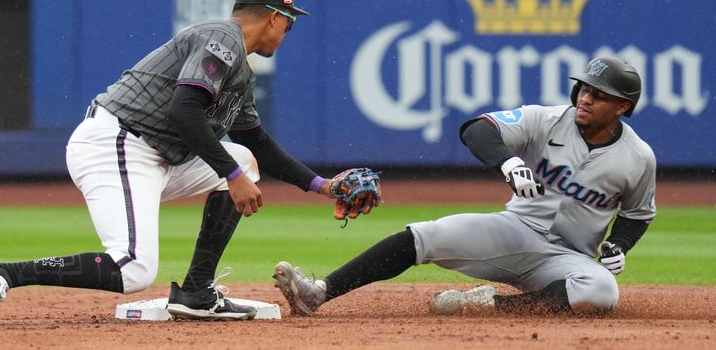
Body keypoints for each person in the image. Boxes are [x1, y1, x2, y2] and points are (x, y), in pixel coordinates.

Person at [0, 0, 356, 326]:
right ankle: (0, 274)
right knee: (133, 269)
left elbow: (258, 142)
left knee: (243, 158)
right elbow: (184, 110)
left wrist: (322, 185)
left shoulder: (239, 70)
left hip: (156, 155)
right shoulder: (222, 38)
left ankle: (198, 293)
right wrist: (231, 177)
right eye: (289, 22)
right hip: (117, 142)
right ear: (273, 16)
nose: (288, 31)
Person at [274, 56, 656, 317]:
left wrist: (619, 245)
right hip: (515, 232)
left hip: (564, 259)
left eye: (599, 94)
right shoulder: (547, 120)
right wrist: (509, 162)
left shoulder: (638, 157)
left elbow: (637, 215)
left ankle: (490, 306)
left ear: (622, 107)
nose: (586, 98)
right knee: (426, 235)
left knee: (600, 291)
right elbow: (478, 129)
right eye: (584, 88)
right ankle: (317, 293)